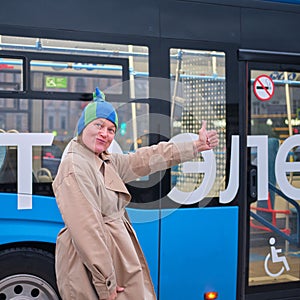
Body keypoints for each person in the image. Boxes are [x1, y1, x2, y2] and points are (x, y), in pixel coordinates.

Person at [52, 88, 219, 300]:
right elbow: (87, 231)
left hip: (111, 261)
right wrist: (107, 284)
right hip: (94, 271)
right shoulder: (75, 167)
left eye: (111, 130)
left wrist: (194, 146)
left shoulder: (103, 159)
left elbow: (147, 158)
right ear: (83, 127)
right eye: (98, 125)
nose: (105, 133)